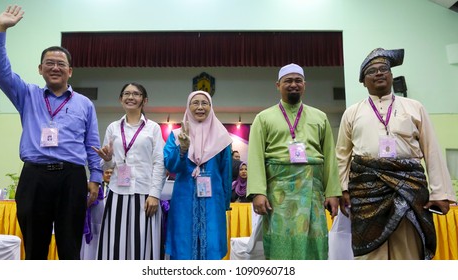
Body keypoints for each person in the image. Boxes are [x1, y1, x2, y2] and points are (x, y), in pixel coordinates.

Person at [0, 5, 102, 260]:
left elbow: (91, 144)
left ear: (70, 71)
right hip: (34, 177)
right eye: (49, 63)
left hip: (71, 179)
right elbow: (0, 71)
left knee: (70, 248)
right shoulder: (27, 95)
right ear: (40, 69)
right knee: (34, 247)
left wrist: (94, 178)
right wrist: (0, 30)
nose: (55, 67)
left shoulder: (84, 103)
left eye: (61, 64)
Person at [336, 47, 457, 260]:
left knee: (408, 250)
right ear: (363, 81)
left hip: (409, 188)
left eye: (384, 69)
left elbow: (432, 151)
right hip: (366, 193)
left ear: (392, 76)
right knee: (371, 256)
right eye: (372, 71)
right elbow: (342, 155)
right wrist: (343, 189)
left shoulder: (414, 107)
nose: (379, 73)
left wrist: (441, 193)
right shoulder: (352, 112)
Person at [246, 63, 341, 260]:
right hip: (278, 193)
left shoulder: (320, 117)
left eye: (298, 80)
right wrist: (258, 192)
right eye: (288, 81)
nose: (293, 85)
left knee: (314, 243)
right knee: (281, 243)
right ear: (278, 85)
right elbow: (255, 156)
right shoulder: (263, 118)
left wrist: (332, 192)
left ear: (305, 85)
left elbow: (330, 157)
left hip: (312, 191)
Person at [92, 83, 166, 260]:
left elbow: (160, 163)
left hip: (145, 196)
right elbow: (106, 166)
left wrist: (155, 194)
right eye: (126, 93)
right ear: (120, 99)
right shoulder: (113, 127)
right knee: (115, 246)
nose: (130, 97)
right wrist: (108, 159)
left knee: (143, 247)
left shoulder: (153, 128)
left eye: (136, 94)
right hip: (117, 194)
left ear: (144, 100)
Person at [163, 90, 233, 260]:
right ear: (188, 107)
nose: (200, 107)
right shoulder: (176, 135)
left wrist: (224, 203)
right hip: (183, 200)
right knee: (183, 244)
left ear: (211, 107)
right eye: (195, 103)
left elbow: (226, 173)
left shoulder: (222, 137)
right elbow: (170, 166)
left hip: (213, 202)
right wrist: (183, 148)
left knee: (212, 243)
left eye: (204, 103)